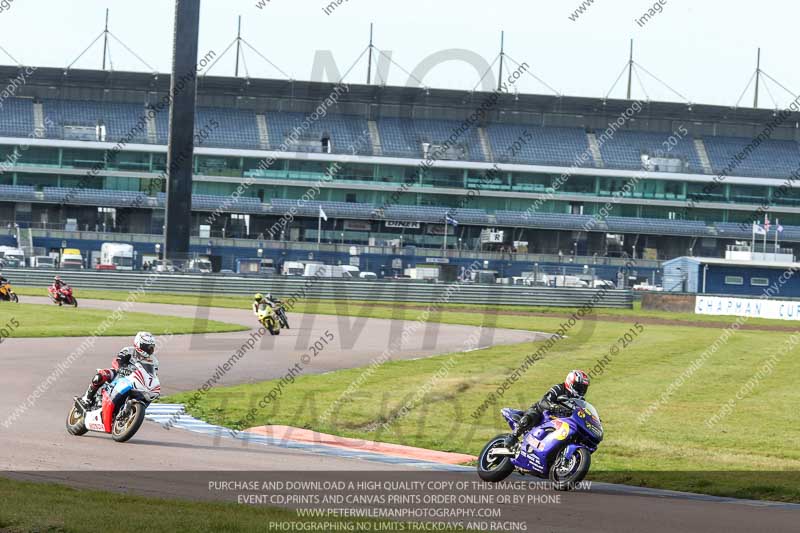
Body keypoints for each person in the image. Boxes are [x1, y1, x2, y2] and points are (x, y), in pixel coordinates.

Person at [504, 370, 591, 448]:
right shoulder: (559, 388)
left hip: (560, 420)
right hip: (542, 411)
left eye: (584, 388)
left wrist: (590, 418)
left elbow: (581, 412)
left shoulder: (580, 401)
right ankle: (513, 436)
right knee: (532, 416)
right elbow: (544, 401)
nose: (581, 390)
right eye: (579, 387)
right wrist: (554, 406)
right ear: (571, 382)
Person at [78, 332, 157, 409]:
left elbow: (152, 375)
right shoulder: (128, 351)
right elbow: (116, 361)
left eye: (151, 347)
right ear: (138, 344)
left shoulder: (154, 361)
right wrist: (121, 369)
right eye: (147, 347)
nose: (149, 349)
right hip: (120, 375)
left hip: (136, 382)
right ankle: (87, 398)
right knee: (102, 375)